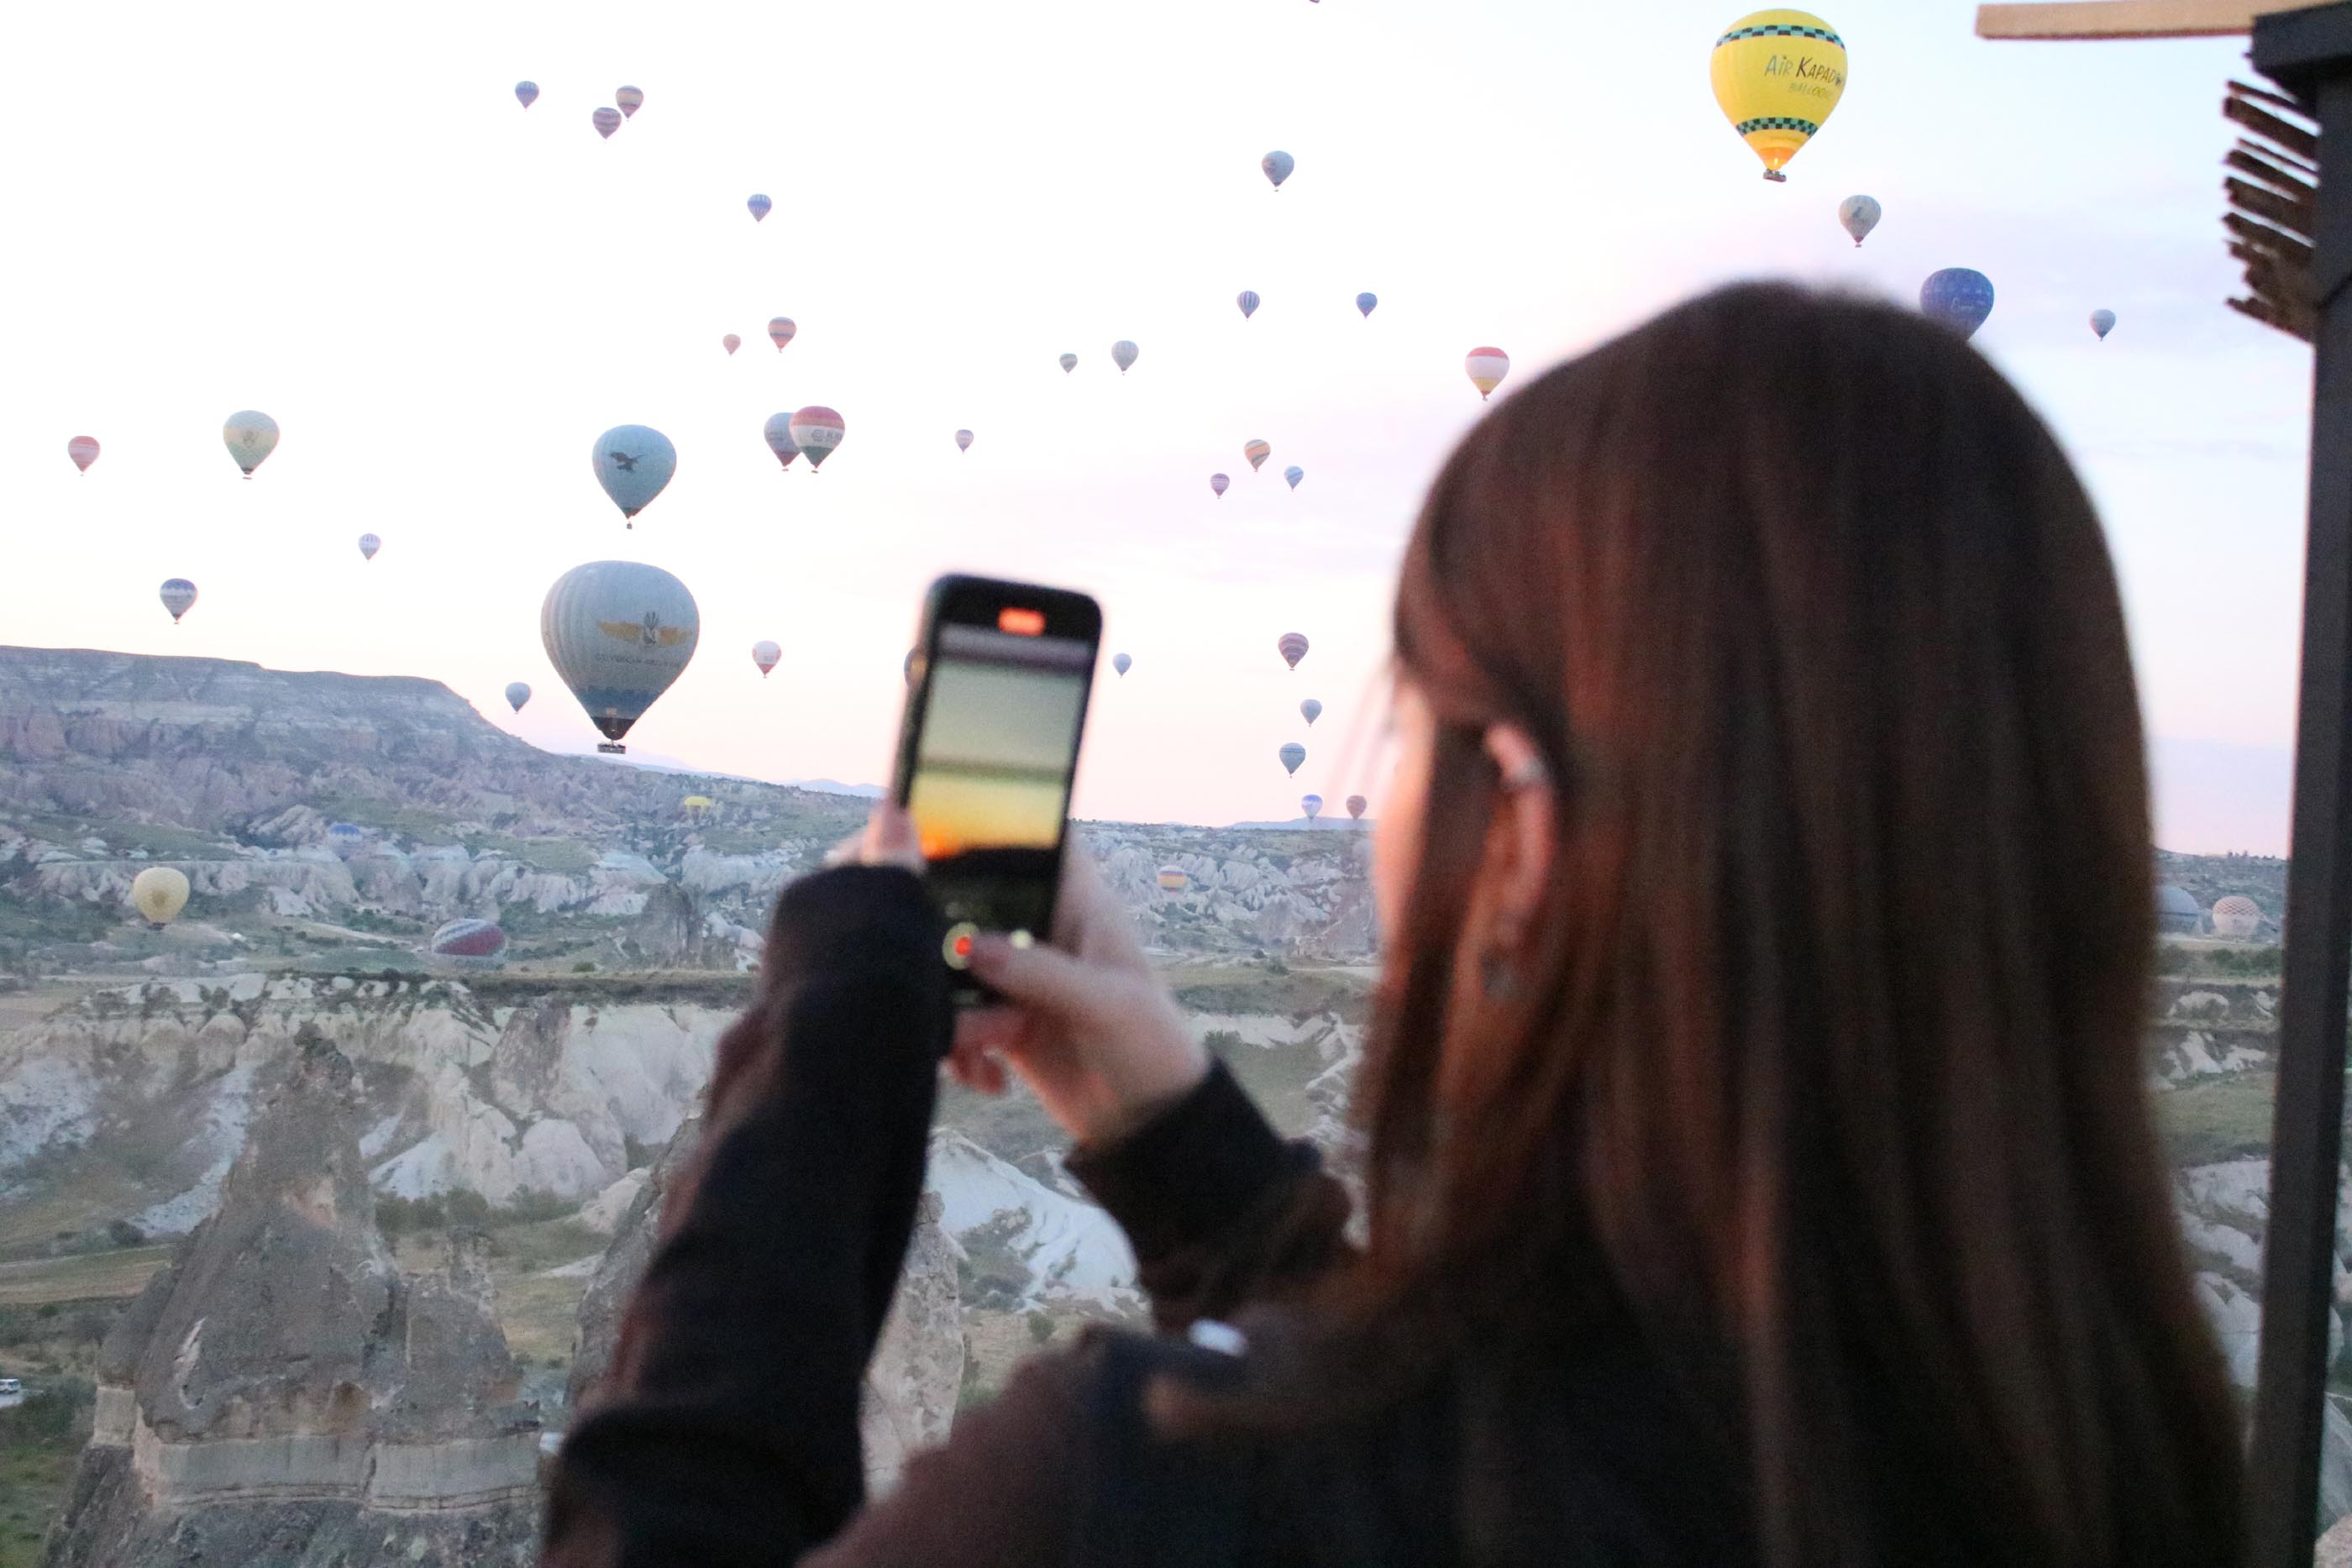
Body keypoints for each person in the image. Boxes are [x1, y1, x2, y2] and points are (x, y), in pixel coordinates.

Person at [542, 284, 2244, 1567]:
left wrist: (825, 1038)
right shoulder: (2104, 1457)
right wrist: (1179, 1146)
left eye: (1415, 721)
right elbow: (1533, 1442)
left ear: (1524, 827)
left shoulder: (1138, 1492)